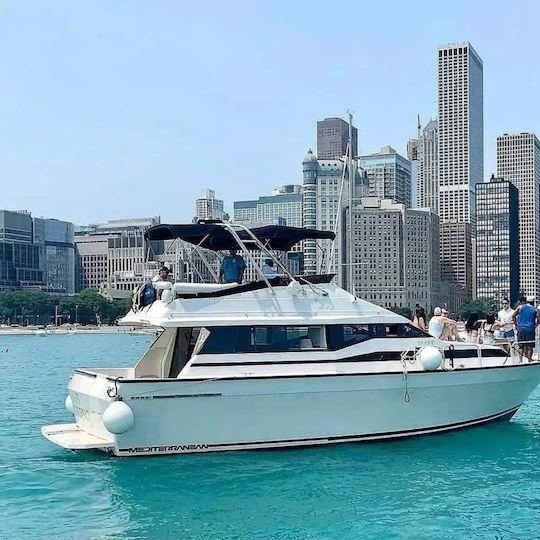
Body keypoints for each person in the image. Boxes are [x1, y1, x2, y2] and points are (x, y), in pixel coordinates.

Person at [513, 295, 539, 361]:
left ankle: (520, 360)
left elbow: (513, 315)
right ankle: (529, 360)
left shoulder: (520, 307)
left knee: (521, 346)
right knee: (530, 346)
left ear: (526, 301)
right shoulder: (535, 309)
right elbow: (538, 319)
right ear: (533, 302)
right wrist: (535, 325)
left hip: (521, 329)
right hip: (530, 329)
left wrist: (516, 324)